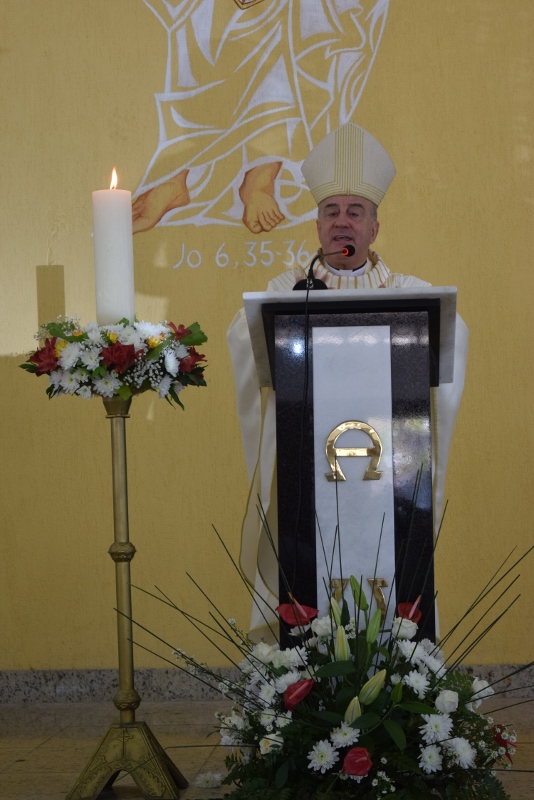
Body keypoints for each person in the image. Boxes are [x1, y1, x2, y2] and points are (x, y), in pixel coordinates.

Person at [227, 123, 469, 640]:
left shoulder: (409, 293)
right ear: (318, 225)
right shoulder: (287, 291)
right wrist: (291, 307)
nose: (342, 221)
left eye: (355, 211)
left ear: (374, 229)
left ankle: (400, 653)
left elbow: (452, 334)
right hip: (310, 462)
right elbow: (245, 340)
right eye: (331, 211)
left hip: (390, 472)